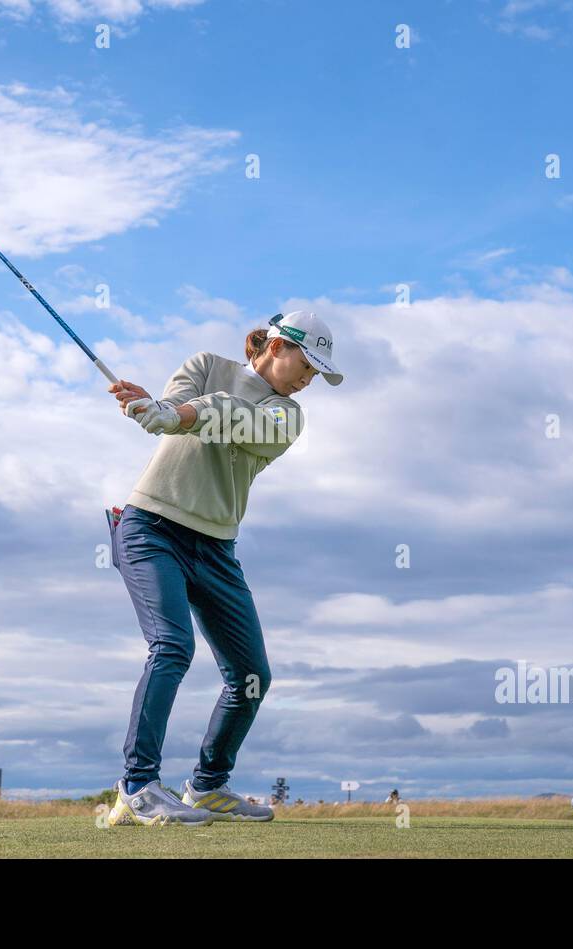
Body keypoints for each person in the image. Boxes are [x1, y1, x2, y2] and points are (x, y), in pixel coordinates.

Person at [104, 311, 343, 826]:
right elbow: (176, 403)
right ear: (277, 345)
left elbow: (228, 417)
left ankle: (209, 786)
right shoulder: (206, 364)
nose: (309, 380)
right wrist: (153, 408)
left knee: (252, 674)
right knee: (172, 647)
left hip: (216, 549)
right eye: (307, 364)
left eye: (318, 374)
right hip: (151, 527)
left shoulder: (288, 416)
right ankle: (137, 785)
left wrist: (177, 415)